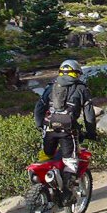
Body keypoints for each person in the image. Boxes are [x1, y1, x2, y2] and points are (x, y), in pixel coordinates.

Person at [33, 59, 97, 198]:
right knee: (70, 162)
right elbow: (89, 115)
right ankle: (67, 194)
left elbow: (39, 108)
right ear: (77, 74)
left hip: (48, 130)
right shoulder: (82, 89)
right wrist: (91, 133)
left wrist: (40, 125)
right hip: (68, 132)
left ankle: (42, 186)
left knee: (46, 156)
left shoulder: (51, 87)